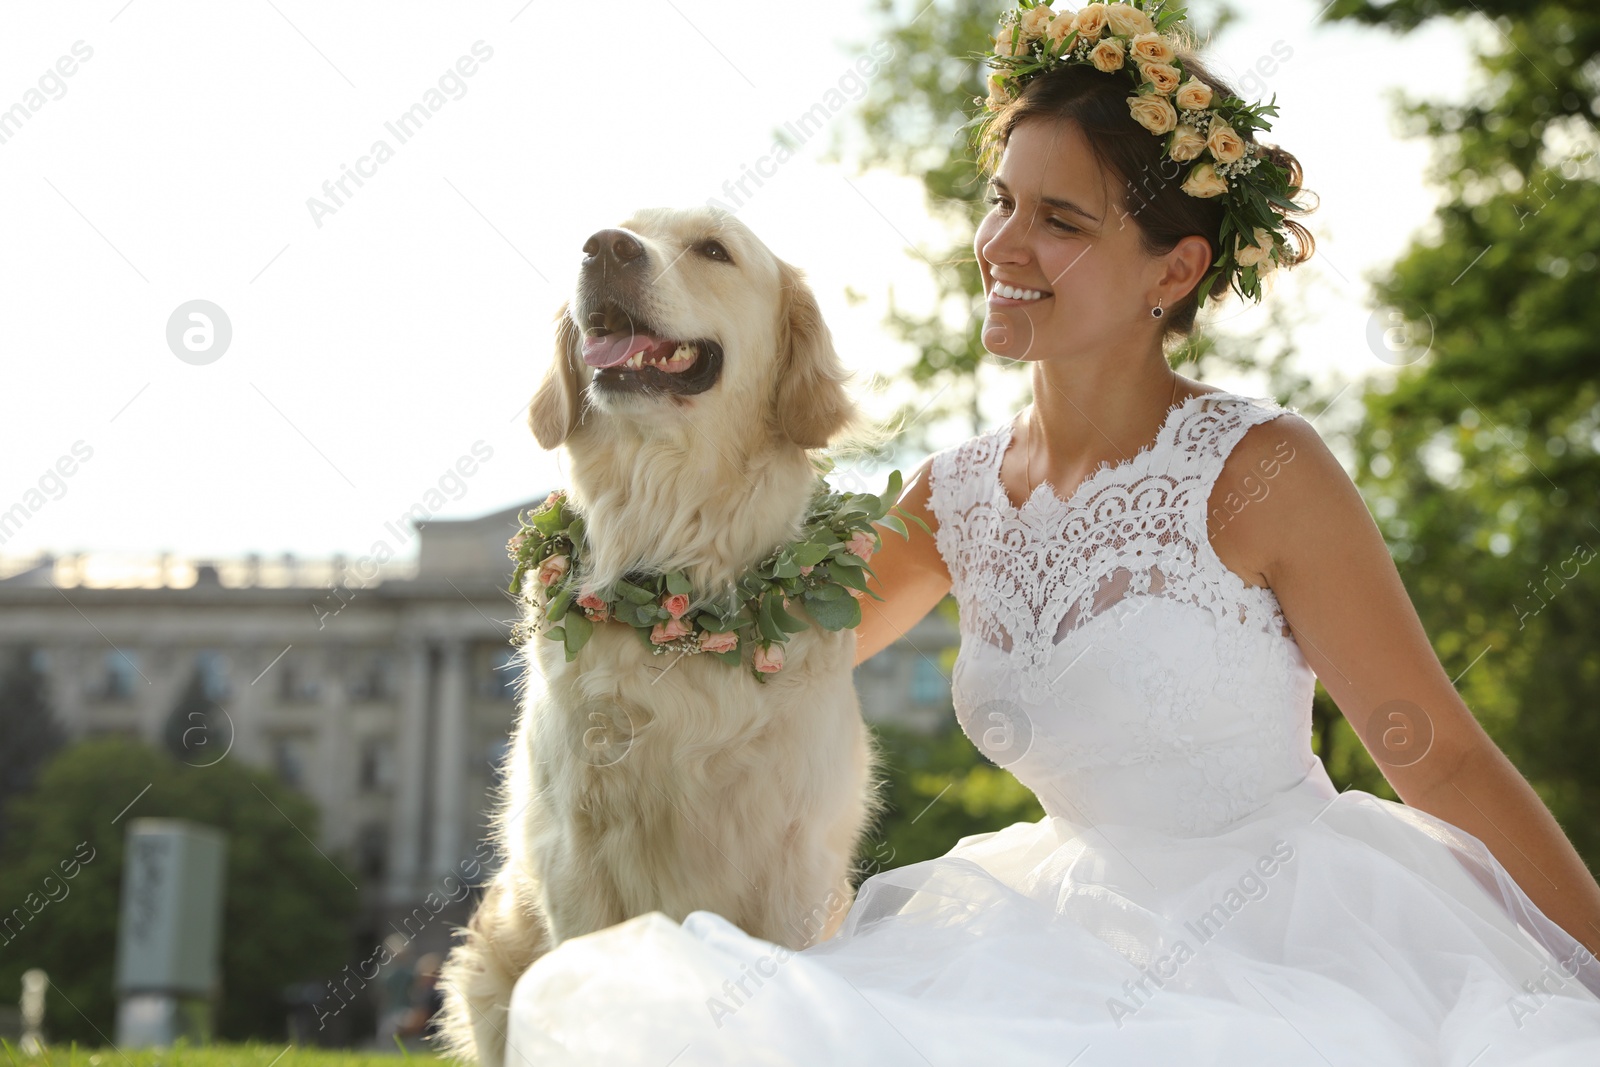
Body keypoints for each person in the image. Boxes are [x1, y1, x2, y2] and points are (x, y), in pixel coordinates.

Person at [494, 3, 1600, 1063]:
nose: (1003, 244)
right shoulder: (951, 497)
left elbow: (1438, 755)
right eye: (1001, 200)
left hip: (1288, 931)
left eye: (1060, 220)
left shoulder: (1265, 470)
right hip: (1040, 935)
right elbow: (750, 638)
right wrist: (590, 559)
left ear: (1173, 271)